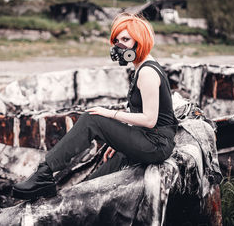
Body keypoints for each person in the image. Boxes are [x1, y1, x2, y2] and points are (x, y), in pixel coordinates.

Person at [12, 13, 178, 200]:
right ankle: (67, 195)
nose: (119, 45)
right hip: (147, 139)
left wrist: (111, 114)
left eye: (125, 39)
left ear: (140, 40)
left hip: (156, 145)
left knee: (93, 118)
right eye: (116, 40)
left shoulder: (147, 71)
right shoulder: (141, 66)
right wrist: (119, 140)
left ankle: (44, 174)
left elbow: (149, 119)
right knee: (91, 186)